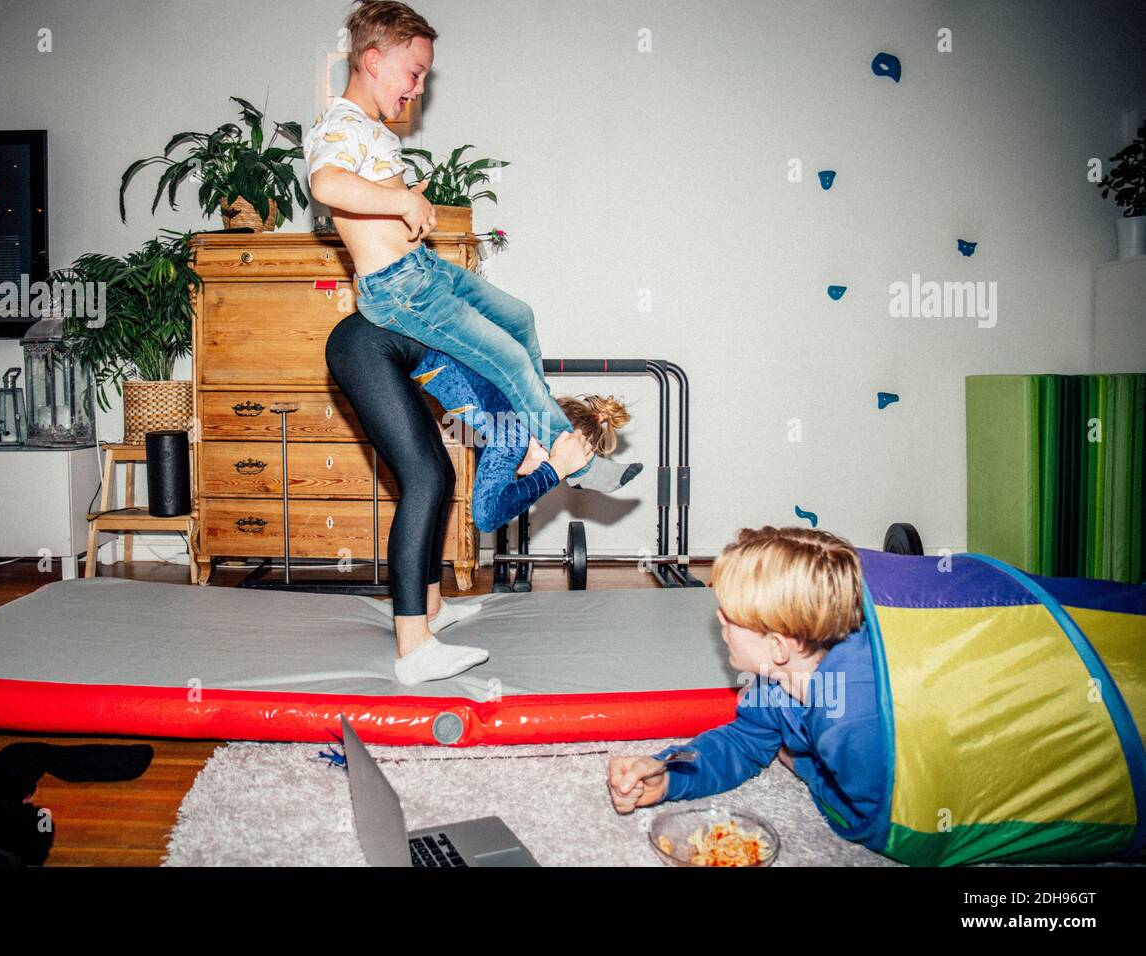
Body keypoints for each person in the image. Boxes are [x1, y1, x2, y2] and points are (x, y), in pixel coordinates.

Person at [302, 0, 642, 497]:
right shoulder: (341, 123)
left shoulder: (369, 130)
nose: (419, 88)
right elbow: (327, 185)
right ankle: (574, 461)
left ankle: (533, 434)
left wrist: (408, 205)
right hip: (400, 291)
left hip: (423, 270)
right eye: (414, 73)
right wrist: (400, 200)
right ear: (373, 61)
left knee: (519, 317)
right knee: (509, 359)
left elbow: (368, 200)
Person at [326, 312, 634, 685]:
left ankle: (432, 607)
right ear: (548, 442)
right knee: (423, 480)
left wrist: (554, 466)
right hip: (366, 346)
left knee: (440, 475)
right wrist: (553, 470)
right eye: (561, 472)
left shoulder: (529, 409)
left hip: (381, 346)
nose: (549, 480)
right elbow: (486, 516)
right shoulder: (517, 431)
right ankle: (413, 651)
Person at [606, 527, 888, 841]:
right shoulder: (776, 681)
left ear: (778, 647)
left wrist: (805, 766)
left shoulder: (853, 720)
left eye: (731, 617)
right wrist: (668, 775)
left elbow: (875, 819)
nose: (719, 619)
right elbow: (742, 744)